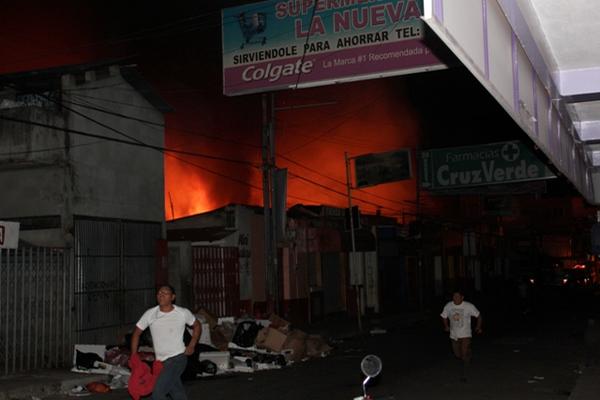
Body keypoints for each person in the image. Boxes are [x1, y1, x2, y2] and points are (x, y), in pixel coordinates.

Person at [131, 285, 201, 400]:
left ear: (173, 297)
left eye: (165, 293)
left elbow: (197, 325)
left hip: (177, 359)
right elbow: (136, 333)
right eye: (159, 293)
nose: (161, 295)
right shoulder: (150, 313)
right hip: (161, 363)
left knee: (158, 394)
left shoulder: (182, 313)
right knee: (177, 392)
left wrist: (192, 345)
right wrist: (134, 356)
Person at [440, 289, 482, 382]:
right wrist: (446, 326)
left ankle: (464, 374)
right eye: (454, 297)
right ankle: (468, 353)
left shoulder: (468, 306)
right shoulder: (449, 306)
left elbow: (479, 316)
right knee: (457, 354)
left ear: (462, 297)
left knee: (463, 354)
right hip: (454, 334)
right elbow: (443, 316)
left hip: (465, 334)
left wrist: (478, 327)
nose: (455, 298)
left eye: (458, 297)